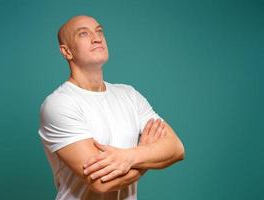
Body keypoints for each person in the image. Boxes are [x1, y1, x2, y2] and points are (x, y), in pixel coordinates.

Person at [38, 15, 185, 200]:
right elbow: (102, 182)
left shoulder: (129, 95)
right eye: (83, 34)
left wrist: (130, 156)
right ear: (66, 52)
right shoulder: (59, 104)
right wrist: (148, 153)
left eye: (99, 31)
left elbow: (176, 148)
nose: (97, 37)